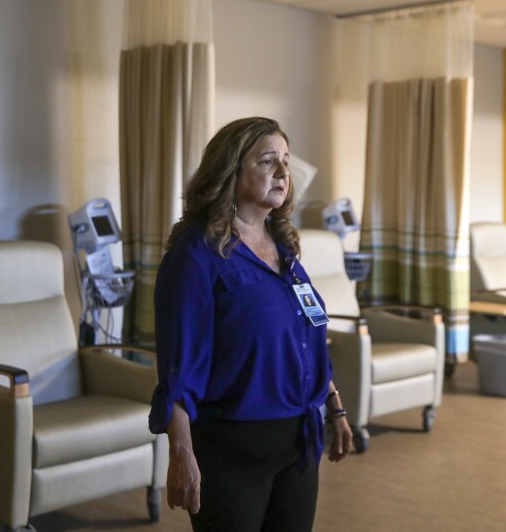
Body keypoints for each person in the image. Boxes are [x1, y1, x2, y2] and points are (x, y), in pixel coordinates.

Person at [149, 117, 353, 531]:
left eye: (286, 161)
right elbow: (177, 366)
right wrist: (181, 452)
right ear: (230, 171)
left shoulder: (285, 249)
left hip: (299, 444)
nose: (283, 173)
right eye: (267, 161)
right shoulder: (197, 255)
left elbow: (304, 337)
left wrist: (334, 404)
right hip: (231, 450)